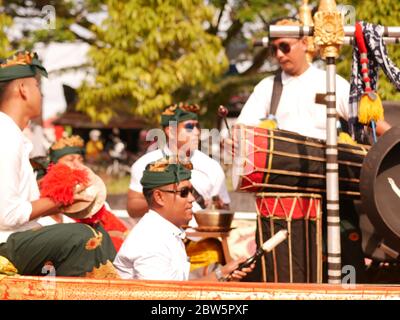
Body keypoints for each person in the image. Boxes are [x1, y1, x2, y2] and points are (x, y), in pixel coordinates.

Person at [235, 18, 391, 283]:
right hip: (285, 199)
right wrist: (232, 143)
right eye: (274, 49)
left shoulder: (330, 80)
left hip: (333, 192)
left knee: (347, 269)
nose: (279, 54)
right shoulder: (267, 88)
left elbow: (373, 123)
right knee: (288, 274)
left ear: (305, 43)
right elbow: (242, 132)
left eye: (284, 46)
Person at [0, 51, 117, 278]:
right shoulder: (5, 134)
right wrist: (61, 200)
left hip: (15, 238)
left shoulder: (13, 134)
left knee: (97, 231)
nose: (41, 95)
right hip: (4, 242)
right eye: (37, 86)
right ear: (23, 89)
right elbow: (7, 215)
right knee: (83, 238)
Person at [127, 103, 231, 270]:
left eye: (198, 126)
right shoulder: (145, 164)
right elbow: (132, 208)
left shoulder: (212, 166)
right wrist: (166, 199)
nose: (197, 132)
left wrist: (218, 208)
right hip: (157, 243)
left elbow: (224, 207)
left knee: (216, 256)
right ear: (170, 131)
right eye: (190, 127)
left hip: (200, 246)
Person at [114, 158, 254, 281]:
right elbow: (166, 303)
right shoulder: (151, 242)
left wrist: (222, 273)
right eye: (184, 192)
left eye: (191, 192)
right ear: (159, 197)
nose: (192, 198)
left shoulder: (165, 232)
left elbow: (178, 289)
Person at [37, 134, 129, 252]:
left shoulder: (97, 201)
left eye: (80, 159)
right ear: (54, 166)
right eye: (70, 159)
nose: (78, 164)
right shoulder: (43, 203)